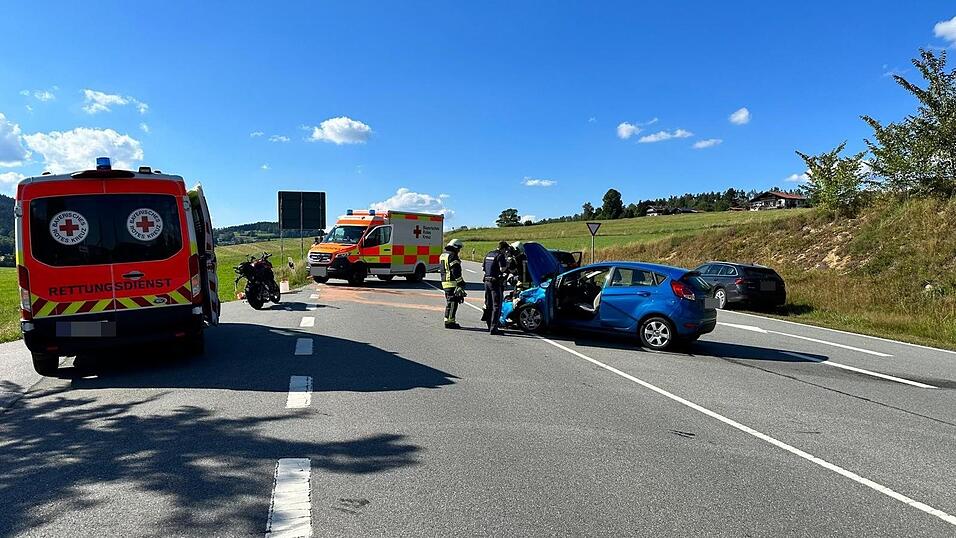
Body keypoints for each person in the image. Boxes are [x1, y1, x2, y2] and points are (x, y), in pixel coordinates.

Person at [482, 241, 512, 334]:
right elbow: (502, 269)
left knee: (488, 304)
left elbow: (483, 268)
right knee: (497, 305)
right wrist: (507, 263)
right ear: (504, 249)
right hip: (494, 282)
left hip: (486, 281)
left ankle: (489, 325)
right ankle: (494, 328)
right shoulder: (500, 255)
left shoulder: (489, 254)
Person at [439, 239, 466, 329]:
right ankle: (450, 322)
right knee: (453, 303)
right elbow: (455, 270)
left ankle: (448, 320)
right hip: (451, 282)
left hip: (445, 282)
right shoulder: (452, 256)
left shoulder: (444, 254)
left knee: (450, 302)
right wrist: (460, 282)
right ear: (455, 247)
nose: (459, 251)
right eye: (459, 248)